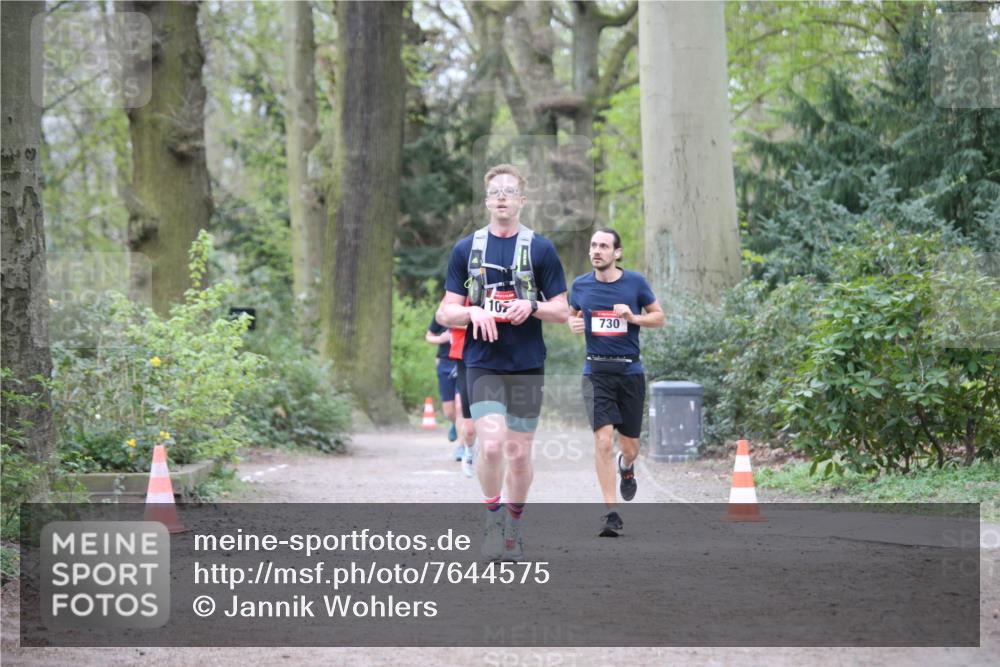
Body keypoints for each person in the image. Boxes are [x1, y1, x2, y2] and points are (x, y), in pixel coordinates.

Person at [436, 164, 569, 560]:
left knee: (518, 452)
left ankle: (514, 524)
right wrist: (472, 313)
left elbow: (563, 311)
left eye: (510, 192)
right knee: (491, 445)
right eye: (496, 192)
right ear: (487, 200)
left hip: (527, 362)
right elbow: (446, 312)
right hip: (483, 360)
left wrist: (532, 305)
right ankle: (493, 519)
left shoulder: (541, 249)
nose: (502, 198)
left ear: (522, 201)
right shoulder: (466, 250)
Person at [568, 228, 664, 536]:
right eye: (594, 246)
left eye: (604, 246)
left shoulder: (634, 283)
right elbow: (572, 314)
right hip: (596, 374)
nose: (597, 251)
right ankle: (611, 512)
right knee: (602, 440)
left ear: (617, 253)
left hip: (629, 373)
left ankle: (626, 466)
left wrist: (633, 318)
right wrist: (572, 322)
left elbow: (659, 317)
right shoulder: (580, 285)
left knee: (631, 446)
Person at [426, 316, 463, 460]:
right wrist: (441, 339)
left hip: (463, 361)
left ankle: (462, 446)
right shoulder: (442, 314)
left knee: (460, 406)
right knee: (449, 411)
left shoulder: (471, 309)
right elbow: (429, 336)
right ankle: (455, 423)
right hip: (445, 363)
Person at [447, 308, 477, 478]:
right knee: (470, 428)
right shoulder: (460, 286)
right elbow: (444, 316)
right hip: (464, 356)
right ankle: (469, 449)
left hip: (498, 354)